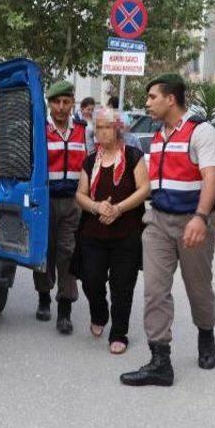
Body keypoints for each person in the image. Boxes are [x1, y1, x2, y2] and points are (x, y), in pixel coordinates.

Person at [120, 74, 215, 387]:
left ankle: (206, 333)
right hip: (159, 222)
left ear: (171, 99)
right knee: (155, 290)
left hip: (193, 222)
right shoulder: (158, 134)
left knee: (198, 287)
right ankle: (160, 360)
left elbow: (211, 179)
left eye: (152, 97)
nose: (147, 103)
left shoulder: (200, 132)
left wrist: (200, 218)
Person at [75, 108, 149, 354]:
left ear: (118, 129)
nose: (101, 131)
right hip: (93, 233)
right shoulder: (90, 160)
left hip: (126, 233)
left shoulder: (134, 156)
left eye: (106, 126)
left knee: (122, 285)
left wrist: (117, 209)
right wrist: (97, 207)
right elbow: (80, 194)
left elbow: (144, 189)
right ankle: (99, 312)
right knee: (91, 279)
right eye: (98, 127)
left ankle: (119, 332)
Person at [34, 80, 87, 335]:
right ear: (50, 104)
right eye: (57, 102)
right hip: (44, 202)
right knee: (45, 252)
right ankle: (44, 296)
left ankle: (64, 310)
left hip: (73, 203)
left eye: (66, 102)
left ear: (72, 103)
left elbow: (91, 165)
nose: (61, 107)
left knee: (68, 252)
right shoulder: (39, 130)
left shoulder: (83, 131)